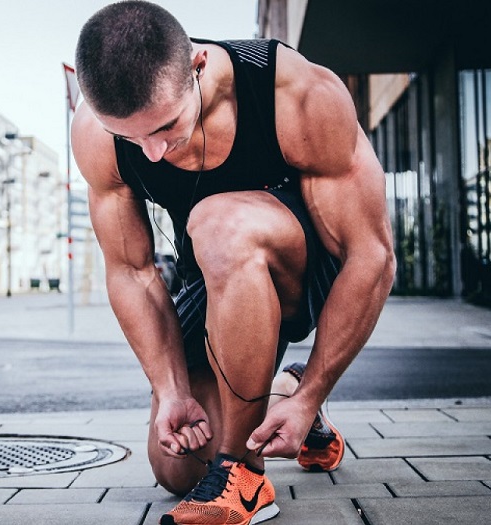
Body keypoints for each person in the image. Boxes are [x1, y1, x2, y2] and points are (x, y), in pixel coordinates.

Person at [71, 2, 395, 524]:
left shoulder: (293, 92)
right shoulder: (95, 134)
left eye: (166, 126)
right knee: (177, 467)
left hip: (304, 270)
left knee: (218, 222)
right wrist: (171, 389)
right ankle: (281, 389)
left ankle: (245, 477)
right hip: (215, 278)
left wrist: (316, 390)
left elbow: (371, 255)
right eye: (132, 138)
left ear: (197, 66)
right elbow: (131, 272)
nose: (152, 152)